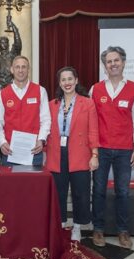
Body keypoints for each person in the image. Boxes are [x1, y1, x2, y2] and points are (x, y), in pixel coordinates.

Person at [90, 46, 134, 249]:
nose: (113, 64)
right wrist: (93, 150)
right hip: (101, 150)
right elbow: (91, 121)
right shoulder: (95, 89)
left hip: (124, 150)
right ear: (104, 66)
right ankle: (98, 229)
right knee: (98, 191)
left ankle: (123, 231)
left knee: (123, 191)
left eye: (116, 60)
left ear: (123, 62)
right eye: (109, 61)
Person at [45, 66, 99, 242]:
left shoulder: (87, 103)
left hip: (80, 152)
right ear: (59, 83)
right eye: (63, 80)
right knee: (58, 192)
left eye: (70, 79)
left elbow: (93, 130)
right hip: (56, 153)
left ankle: (77, 227)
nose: (67, 83)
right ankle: (60, 224)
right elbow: (45, 129)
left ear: (76, 80)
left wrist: (95, 154)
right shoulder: (51, 105)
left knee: (80, 192)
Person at [0, 55, 51, 166]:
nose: (20, 70)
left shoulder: (40, 91)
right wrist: (2, 142)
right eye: (17, 67)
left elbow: (46, 120)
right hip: (10, 152)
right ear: (12, 69)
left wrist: (41, 140)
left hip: (33, 151)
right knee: (10, 184)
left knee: (34, 184)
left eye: (24, 67)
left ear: (28, 69)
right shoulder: (2, 94)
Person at [0, 19, 22, 92]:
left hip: (11, 86)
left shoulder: (13, 55)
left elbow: (18, 43)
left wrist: (14, 28)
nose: (4, 44)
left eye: (6, 42)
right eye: (2, 43)